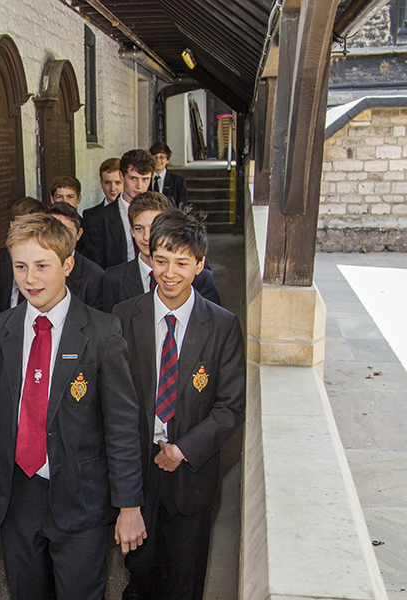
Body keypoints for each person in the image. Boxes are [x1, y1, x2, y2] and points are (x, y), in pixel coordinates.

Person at [0, 213, 146, 600]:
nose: (30, 278)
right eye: (20, 266)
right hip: (17, 496)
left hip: (80, 498)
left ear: (67, 265)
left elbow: (121, 425)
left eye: (41, 266)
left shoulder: (102, 333)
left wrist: (129, 504)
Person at [112, 209, 244, 600]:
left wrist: (183, 449)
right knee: (140, 571)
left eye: (182, 263)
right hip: (136, 470)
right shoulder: (123, 317)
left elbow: (230, 406)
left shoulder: (221, 326)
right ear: (149, 259)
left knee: (185, 578)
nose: (170, 273)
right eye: (161, 260)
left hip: (191, 472)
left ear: (200, 265)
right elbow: (114, 401)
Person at [99, 192, 220, 313]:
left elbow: (212, 323)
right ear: (132, 231)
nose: (147, 236)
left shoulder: (202, 279)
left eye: (153, 228)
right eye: (139, 228)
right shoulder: (114, 278)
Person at [81, 150, 156, 270]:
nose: (139, 186)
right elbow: (96, 268)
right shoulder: (99, 220)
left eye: (145, 179)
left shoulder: (163, 210)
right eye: (133, 178)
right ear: (122, 176)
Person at [0, 197, 46, 313]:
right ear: (11, 225)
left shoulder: (48, 260)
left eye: (31, 226)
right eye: (21, 225)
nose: (25, 231)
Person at [45, 201, 104, 310]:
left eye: (67, 231)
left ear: (79, 234)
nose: (60, 237)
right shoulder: (31, 270)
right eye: (53, 230)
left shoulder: (95, 277)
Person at [149, 142, 188, 209]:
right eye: (155, 157)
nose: (158, 160)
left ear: (167, 160)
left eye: (162, 157)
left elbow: (182, 206)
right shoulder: (144, 180)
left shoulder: (178, 181)